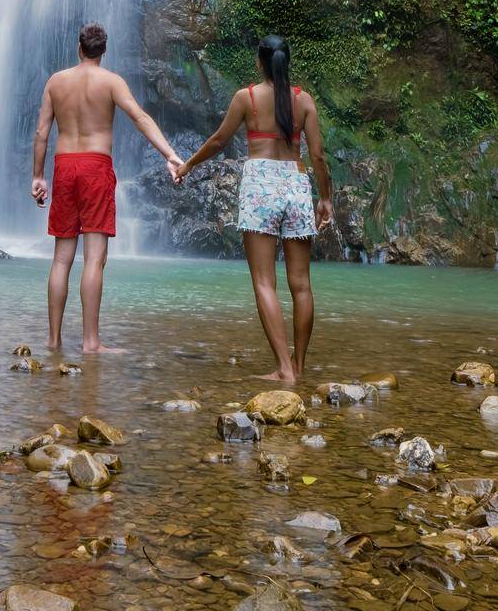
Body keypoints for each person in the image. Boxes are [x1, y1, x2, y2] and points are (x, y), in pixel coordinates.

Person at [177, 34, 333, 383]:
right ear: (286, 62)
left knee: (264, 282)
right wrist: (325, 199)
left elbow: (219, 140)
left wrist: (188, 165)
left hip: (260, 185)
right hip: (295, 181)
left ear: (259, 62)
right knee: (302, 285)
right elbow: (318, 156)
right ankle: (299, 366)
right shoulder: (304, 100)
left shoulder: (245, 98)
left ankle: (283, 368)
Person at [32, 22, 183, 352]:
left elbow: (42, 133)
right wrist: (170, 155)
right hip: (96, 168)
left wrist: (38, 177)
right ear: (104, 50)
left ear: (79, 47)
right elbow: (140, 118)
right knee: (94, 260)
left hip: (64, 166)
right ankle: (90, 342)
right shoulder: (112, 82)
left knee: (61, 260)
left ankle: (54, 340)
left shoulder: (56, 82)